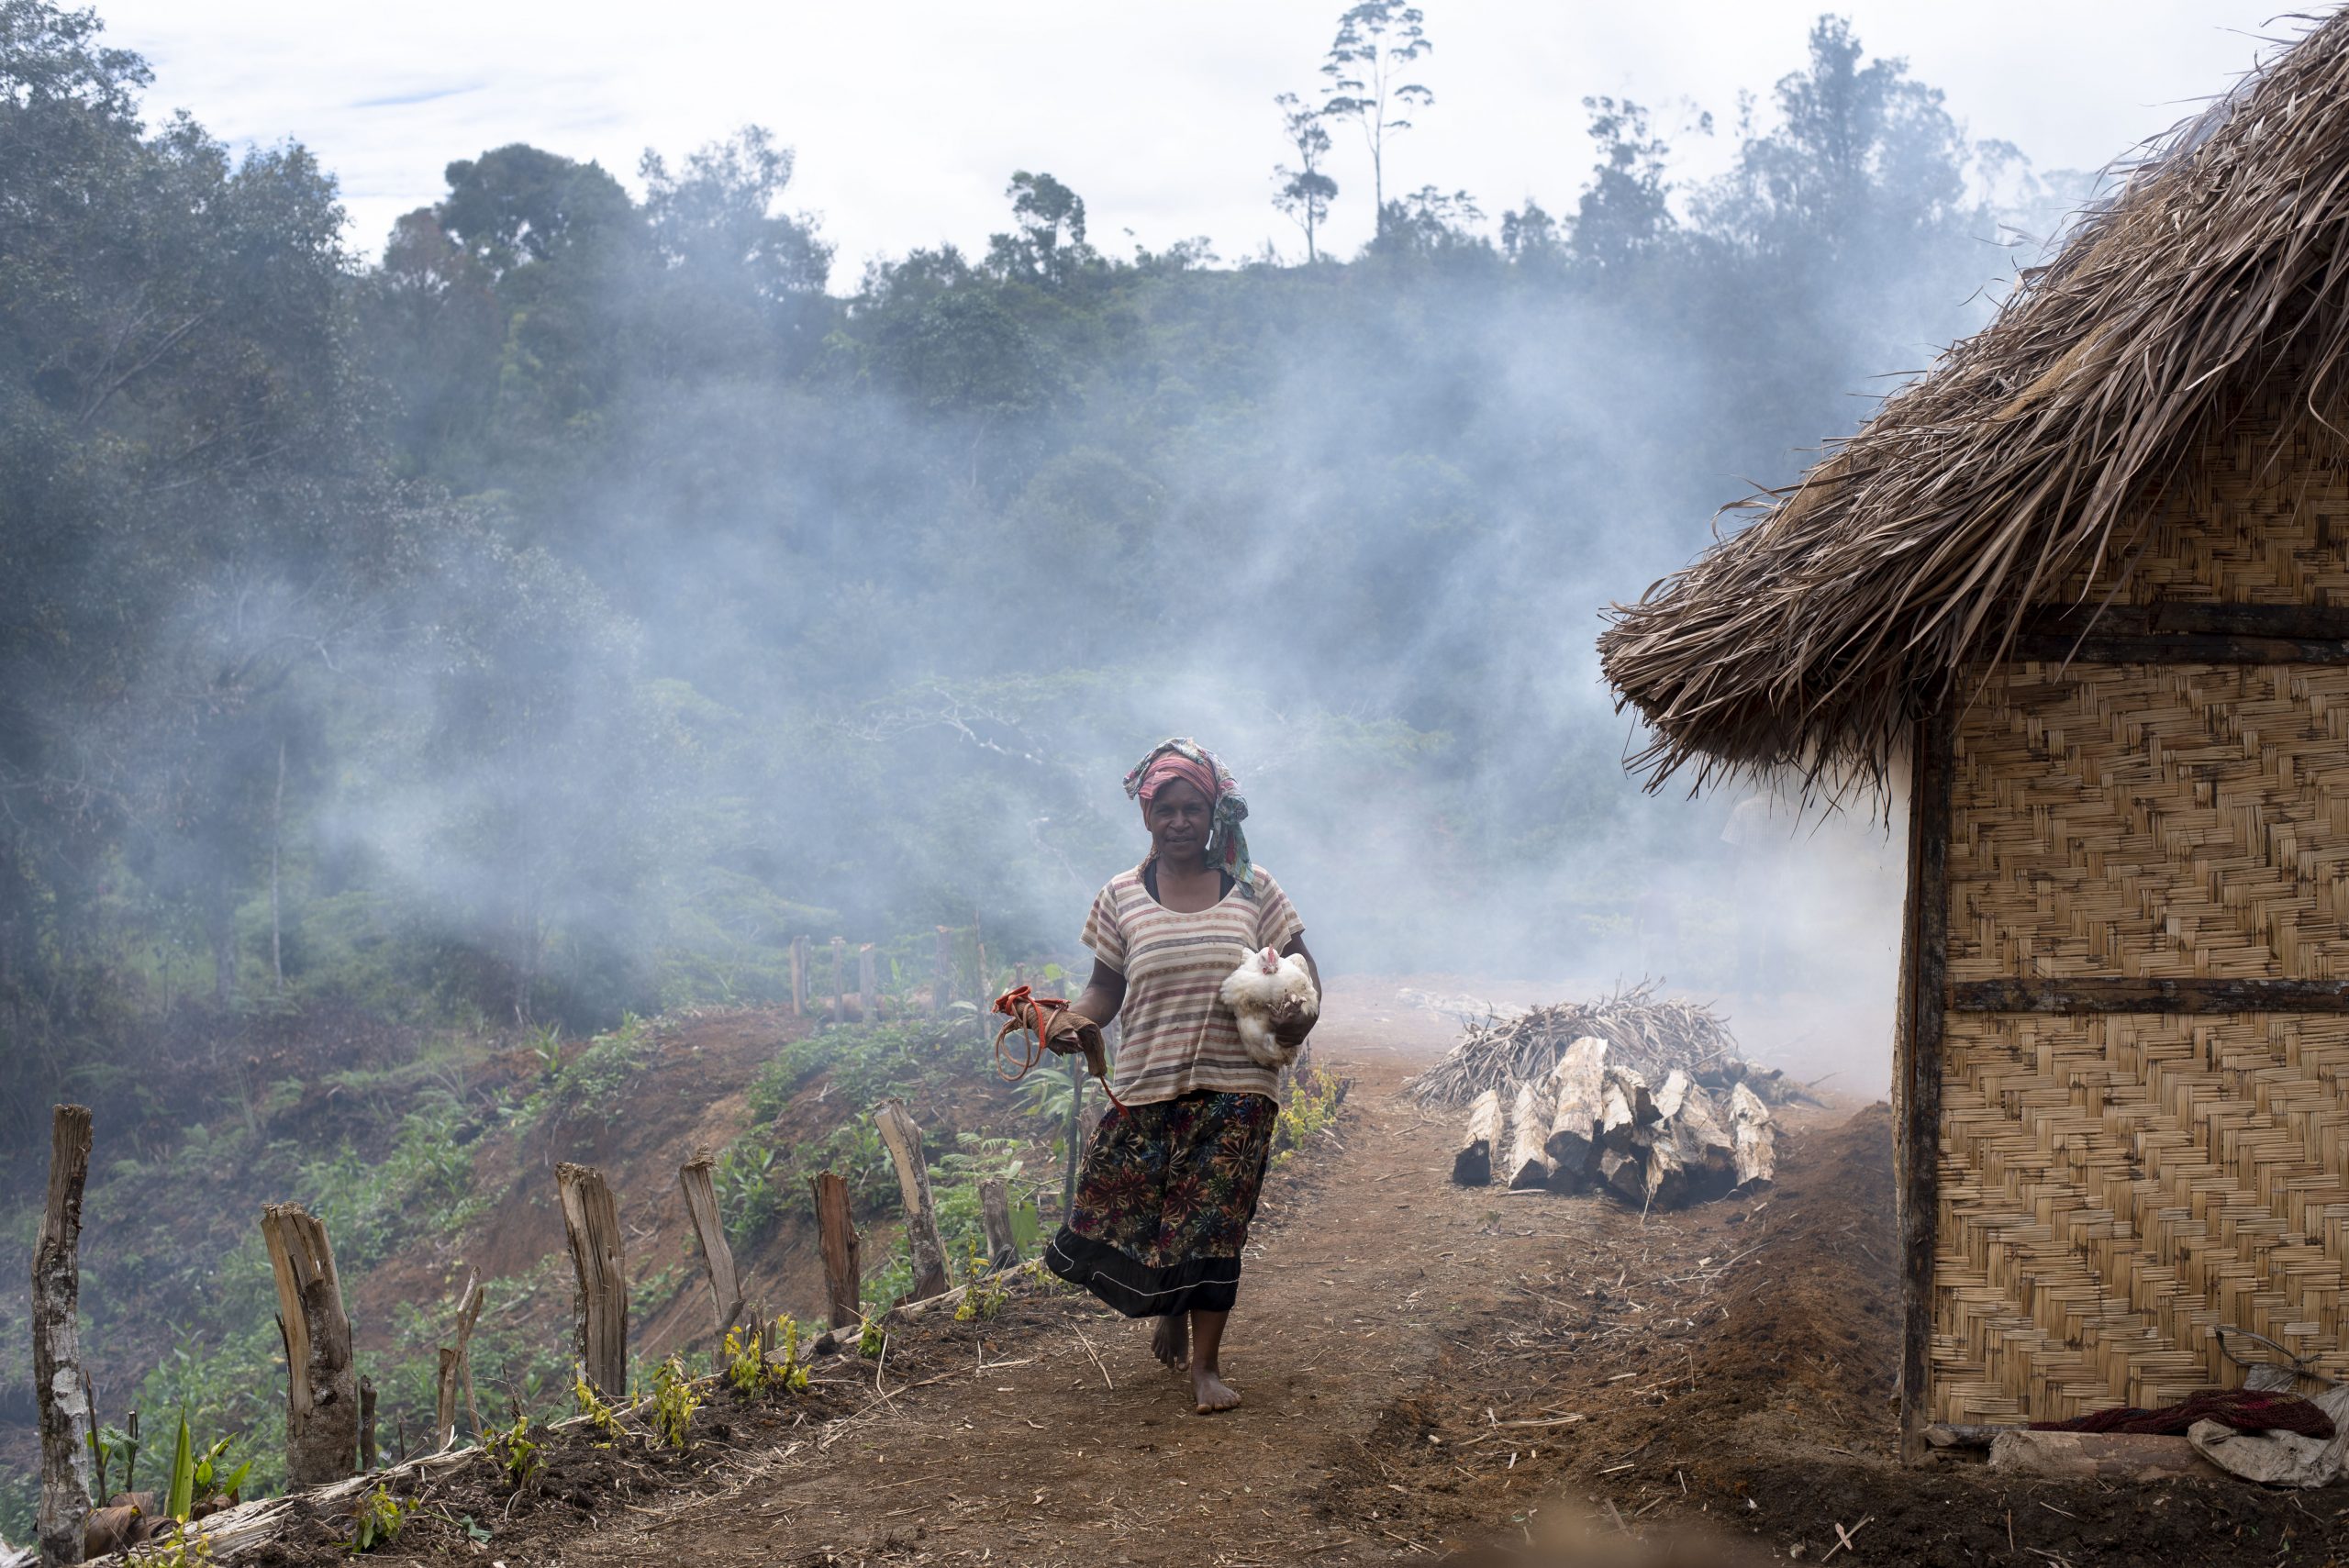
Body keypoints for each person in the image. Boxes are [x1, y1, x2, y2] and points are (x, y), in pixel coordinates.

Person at [1041, 738, 1319, 1414]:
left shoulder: (1255, 889)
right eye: (1165, 809)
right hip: (1145, 1082)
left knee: (1215, 1221)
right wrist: (1071, 1023)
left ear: (1215, 813)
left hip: (1238, 1087)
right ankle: (1170, 1301)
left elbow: (1305, 979)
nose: (1179, 821)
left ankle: (1206, 1368)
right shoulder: (1120, 897)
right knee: (1132, 1208)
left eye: (1192, 807)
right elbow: (1104, 988)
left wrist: (1295, 1024)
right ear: (1146, 816)